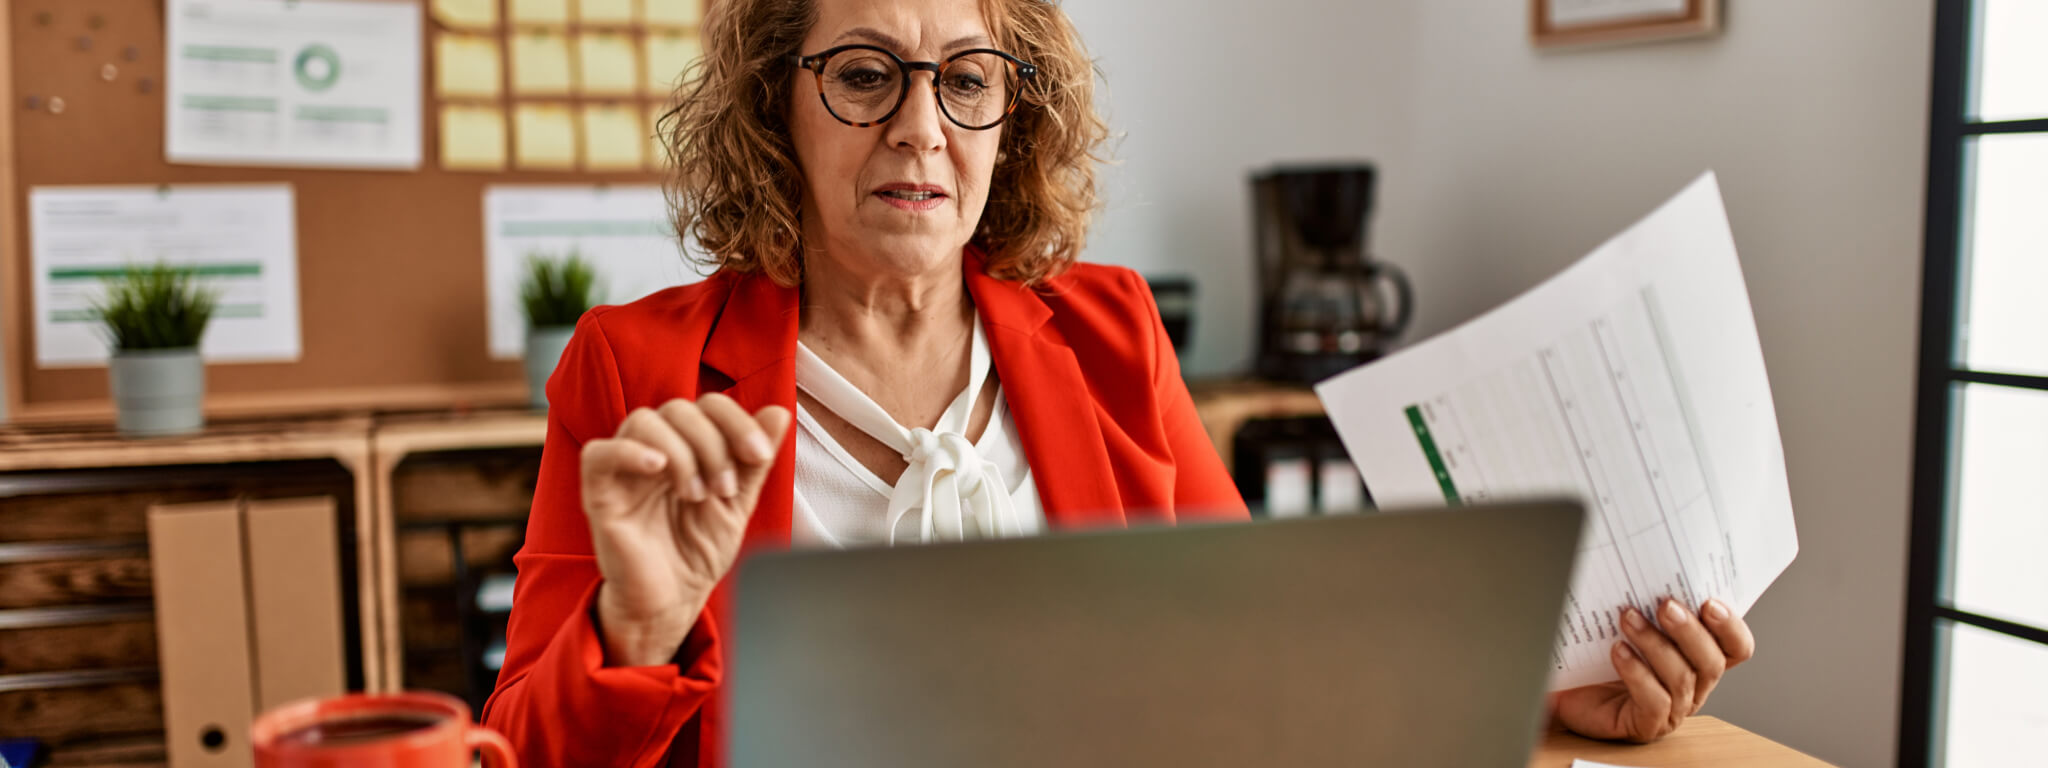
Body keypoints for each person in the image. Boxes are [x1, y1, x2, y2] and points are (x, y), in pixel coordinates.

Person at [479, 0, 1756, 764]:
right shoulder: (635, 370)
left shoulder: (1108, 331)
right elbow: (519, 750)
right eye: (863, 73)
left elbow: (1270, 670)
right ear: (777, 107)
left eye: (965, 79)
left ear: (1007, 116)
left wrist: (1552, 698)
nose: (919, 128)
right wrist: (633, 637)